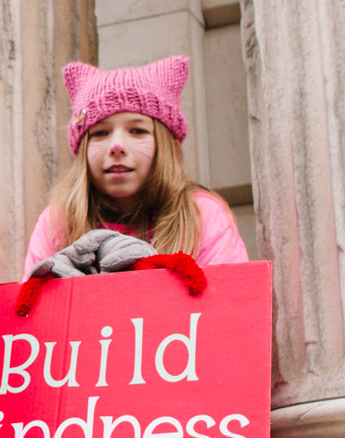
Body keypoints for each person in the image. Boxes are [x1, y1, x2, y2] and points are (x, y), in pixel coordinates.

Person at [24, 55, 249, 276]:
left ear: (164, 145)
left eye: (138, 131)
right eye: (100, 133)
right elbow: (33, 306)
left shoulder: (200, 216)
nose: (117, 145)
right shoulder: (57, 223)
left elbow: (229, 301)